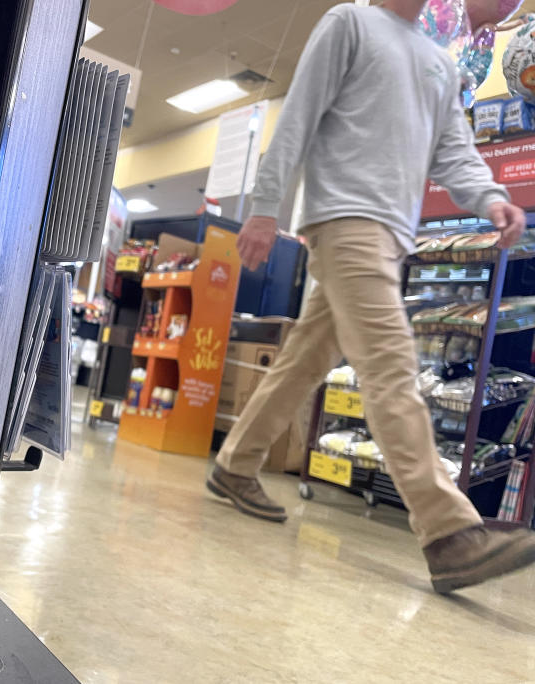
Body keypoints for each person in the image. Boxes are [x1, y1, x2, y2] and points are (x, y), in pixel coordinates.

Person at [207, 0, 535, 594]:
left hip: (390, 234)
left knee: (304, 359)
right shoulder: (349, 23)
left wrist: (490, 199)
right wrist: (262, 207)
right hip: (345, 219)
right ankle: (450, 534)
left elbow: (453, 151)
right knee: (391, 368)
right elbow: (299, 118)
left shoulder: (439, 61)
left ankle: (234, 465)